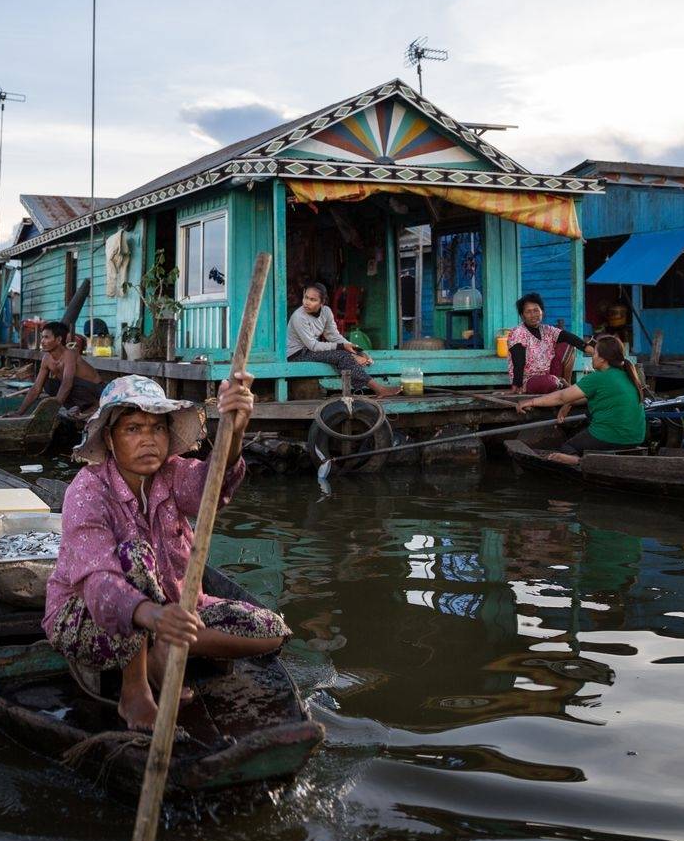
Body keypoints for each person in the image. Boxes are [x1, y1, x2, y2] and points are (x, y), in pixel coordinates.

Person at [46, 374, 290, 731]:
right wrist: (153, 617)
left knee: (271, 631)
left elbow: (213, 487)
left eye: (157, 428)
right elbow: (100, 585)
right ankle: (135, 690)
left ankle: (164, 651)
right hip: (87, 617)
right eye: (133, 429)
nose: (148, 440)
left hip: (173, 606)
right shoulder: (87, 492)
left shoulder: (172, 473)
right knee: (134, 555)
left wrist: (233, 431)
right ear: (110, 440)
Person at [515, 336, 647, 464]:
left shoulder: (598, 378)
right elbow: (587, 396)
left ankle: (579, 461)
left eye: (594, 353)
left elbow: (561, 396)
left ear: (602, 359)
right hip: (636, 438)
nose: (592, 357)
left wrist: (531, 402)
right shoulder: (628, 376)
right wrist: (570, 402)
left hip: (611, 437)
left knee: (568, 447)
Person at [287, 283, 401, 398]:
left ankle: (374, 386)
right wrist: (342, 347)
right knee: (342, 355)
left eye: (313, 299)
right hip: (297, 355)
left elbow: (333, 335)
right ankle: (379, 389)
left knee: (346, 354)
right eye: (306, 297)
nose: (306, 302)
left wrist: (354, 349)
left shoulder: (326, 312)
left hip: (310, 351)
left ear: (322, 303)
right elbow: (313, 346)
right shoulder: (299, 317)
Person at [507, 292, 593, 394]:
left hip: (548, 374)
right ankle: (561, 384)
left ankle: (562, 382)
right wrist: (516, 386)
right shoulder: (518, 333)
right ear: (522, 316)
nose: (533, 315)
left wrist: (591, 350)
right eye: (528, 312)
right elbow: (518, 361)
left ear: (542, 312)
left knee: (568, 344)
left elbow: (569, 337)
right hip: (528, 380)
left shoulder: (548, 330)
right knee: (551, 382)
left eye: (536, 310)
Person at [20, 321, 105, 414]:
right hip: (78, 390)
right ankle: (77, 409)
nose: (42, 341)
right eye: (42, 337)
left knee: (70, 383)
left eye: (46, 337)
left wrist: (53, 410)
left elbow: (67, 384)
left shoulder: (69, 354)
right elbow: (36, 388)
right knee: (49, 385)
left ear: (58, 340)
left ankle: (94, 406)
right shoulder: (46, 359)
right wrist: (19, 412)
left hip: (98, 392)